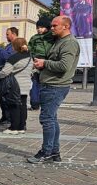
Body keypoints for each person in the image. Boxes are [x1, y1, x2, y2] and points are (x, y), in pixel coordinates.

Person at [28, 16, 80, 163]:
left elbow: (64, 66)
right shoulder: (60, 41)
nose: (51, 28)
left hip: (55, 86)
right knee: (51, 119)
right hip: (51, 84)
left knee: (47, 119)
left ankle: (47, 151)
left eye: (54, 25)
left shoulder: (69, 43)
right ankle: (54, 152)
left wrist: (44, 63)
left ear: (66, 26)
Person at [0, 38, 33, 134]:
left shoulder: (14, 58)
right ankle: (21, 127)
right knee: (23, 106)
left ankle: (14, 128)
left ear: (15, 47)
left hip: (15, 85)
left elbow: (5, 72)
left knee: (14, 106)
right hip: (26, 85)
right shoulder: (30, 57)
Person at [0, 28, 18, 125]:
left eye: (8, 34)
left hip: (7, 75)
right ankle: (5, 116)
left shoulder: (15, 45)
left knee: (6, 97)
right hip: (0, 74)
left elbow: (8, 57)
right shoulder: (8, 46)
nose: (6, 36)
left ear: (14, 34)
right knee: (1, 97)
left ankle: (9, 118)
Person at [27, 17, 54, 110]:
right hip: (37, 60)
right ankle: (34, 103)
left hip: (49, 61)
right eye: (38, 27)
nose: (39, 29)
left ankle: (46, 103)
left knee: (46, 84)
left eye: (41, 27)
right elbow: (30, 48)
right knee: (35, 83)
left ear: (47, 27)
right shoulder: (34, 38)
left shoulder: (52, 36)